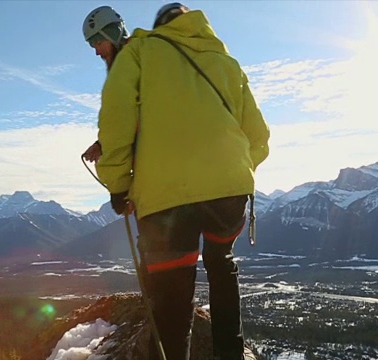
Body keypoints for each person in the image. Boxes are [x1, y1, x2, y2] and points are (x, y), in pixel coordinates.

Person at [95, 2, 269, 360]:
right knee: (221, 262)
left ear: (161, 26)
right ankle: (230, 354)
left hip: (167, 202)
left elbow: (117, 122)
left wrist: (118, 186)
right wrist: (231, 172)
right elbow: (259, 137)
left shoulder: (140, 52)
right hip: (229, 196)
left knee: (173, 294)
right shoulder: (228, 63)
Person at [81, 5, 129, 163]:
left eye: (98, 42)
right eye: (92, 45)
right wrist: (101, 144)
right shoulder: (128, 63)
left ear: (113, 33)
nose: (97, 52)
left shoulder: (132, 63)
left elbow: (125, 117)